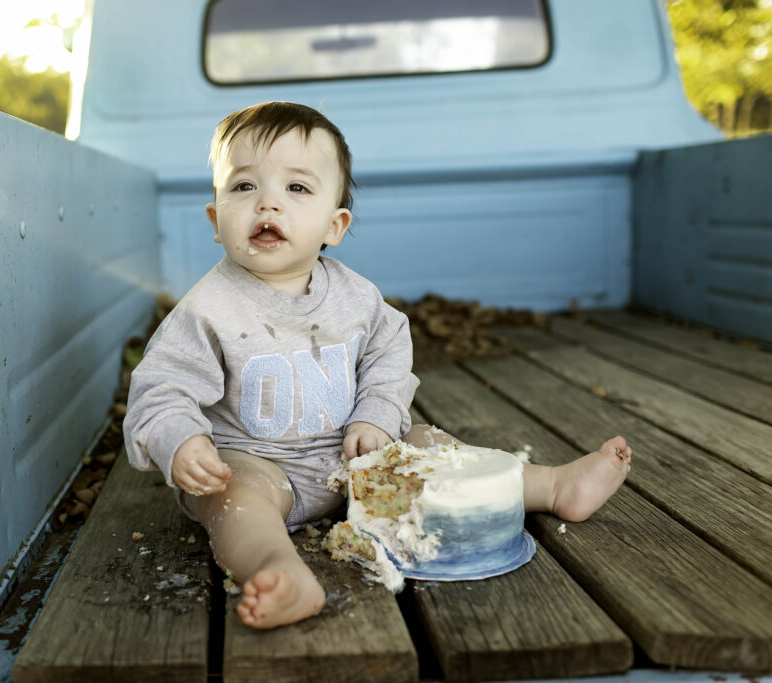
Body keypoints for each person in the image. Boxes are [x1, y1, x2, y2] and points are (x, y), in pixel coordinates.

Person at [123, 101, 632, 629]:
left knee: (430, 447)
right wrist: (181, 441)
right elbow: (162, 385)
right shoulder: (208, 309)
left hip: (357, 459)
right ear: (215, 217)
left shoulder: (355, 295)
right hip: (260, 465)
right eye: (244, 187)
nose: (268, 203)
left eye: (296, 188)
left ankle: (549, 487)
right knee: (234, 498)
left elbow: (390, 353)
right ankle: (275, 570)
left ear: (334, 225)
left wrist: (378, 416)